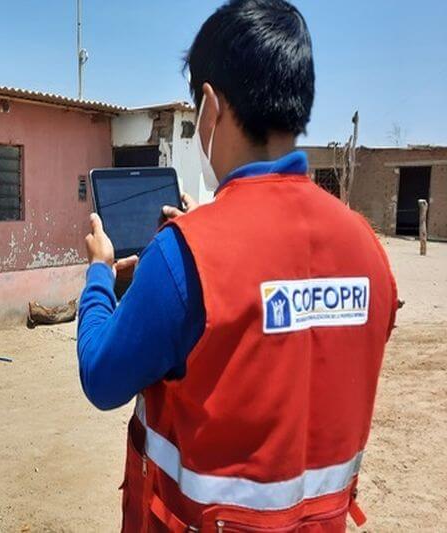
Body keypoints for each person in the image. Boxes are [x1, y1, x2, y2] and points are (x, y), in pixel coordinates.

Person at [76, 1, 398, 531]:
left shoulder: (184, 254)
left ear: (210, 104)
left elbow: (102, 378)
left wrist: (99, 275)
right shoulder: (367, 248)